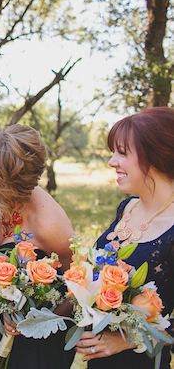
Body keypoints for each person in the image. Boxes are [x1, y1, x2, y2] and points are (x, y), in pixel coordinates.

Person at [0, 123, 74, 368]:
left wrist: (36, 322)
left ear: (2, 182)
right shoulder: (0, 201)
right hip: (2, 326)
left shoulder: (49, 226)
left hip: (38, 342)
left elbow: (76, 286)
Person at [75, 107, 174, 369]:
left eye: (122, 152)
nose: (112, 162)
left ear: (155, 155)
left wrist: (127, 339)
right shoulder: (126, 208)